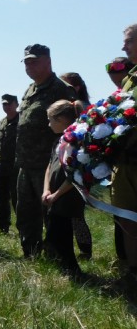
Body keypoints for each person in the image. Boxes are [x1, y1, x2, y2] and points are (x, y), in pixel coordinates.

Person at [14, 44, 76, 257]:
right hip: (26, 163)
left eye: (34, 61)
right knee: (25, 211)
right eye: (26, 62)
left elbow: (70, 130)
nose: (29, 66)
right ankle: (30, 254)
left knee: (51, 212)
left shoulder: (61, 90)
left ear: (48, 61)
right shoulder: (30, 90)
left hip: (48, 164)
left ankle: (55, 257)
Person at [42, 100, 83, 276]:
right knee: (53, 232)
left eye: (51, 120)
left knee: (62, 235)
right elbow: (49, 166)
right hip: (54, 197)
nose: (49, 124)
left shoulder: (75, 142)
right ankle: (62, 267)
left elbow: (75, 175)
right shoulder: (59, 140)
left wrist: (57, 195)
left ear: (62, 119)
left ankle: (72, 271)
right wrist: (46, 190)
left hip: (66, 197)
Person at [59, 72, 94, 259]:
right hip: (65, 161)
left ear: (77, 88)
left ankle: (85, 250)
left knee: (76, 212)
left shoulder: (83, 108)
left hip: (78, 164)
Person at [112, 23, 137, 275]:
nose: (123, 46)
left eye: (129, 41)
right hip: (126, 160)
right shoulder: (129, 79)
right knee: (127, 218)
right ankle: (132, 271)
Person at [0, 94, 19, 234]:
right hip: (0, 165)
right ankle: (3, 226)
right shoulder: (1, 122)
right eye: (4, 104)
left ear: (16, 104)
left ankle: (22, 228)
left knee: (17, 198)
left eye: (9, 104)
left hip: (15, 166)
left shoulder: (22, 121)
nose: (6, 107)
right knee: (0, 197)